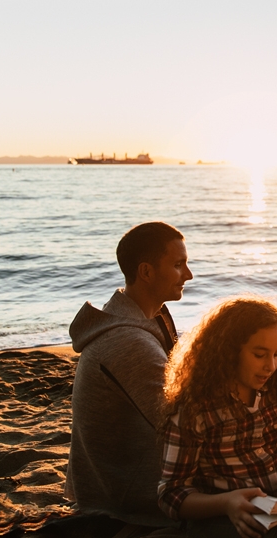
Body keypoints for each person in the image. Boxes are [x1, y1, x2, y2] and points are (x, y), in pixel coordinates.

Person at [157, 297, 277, 538]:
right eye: (260, 355)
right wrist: (227, 502)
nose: (271, 366)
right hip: (228, 517)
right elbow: (171, 493)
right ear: (228, 352)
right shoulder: (195, 411)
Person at [64, 221, 192, 526]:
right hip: (122, 500)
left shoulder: (142, 318)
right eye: (178, 265)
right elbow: (184, 422)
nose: (188, 275)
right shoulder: (128, 341)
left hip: (129, 481)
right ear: (146, 272)